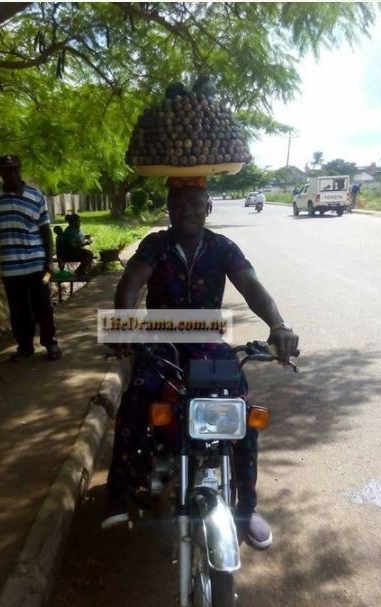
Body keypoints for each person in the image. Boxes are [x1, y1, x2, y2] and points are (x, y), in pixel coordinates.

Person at [101, 176, 299, 549]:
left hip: (208, 342)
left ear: (208, 207)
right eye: (178, 204)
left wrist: (278, 325)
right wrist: (122, 326)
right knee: (137, 396)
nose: (186, 211)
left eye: (194, 204)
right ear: (168, 209)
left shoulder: (222, 247)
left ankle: (247, 508)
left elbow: (251, 286)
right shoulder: (155, 245)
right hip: (160, 342)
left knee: (241, 409)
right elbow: (131, 282)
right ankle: (119, 492)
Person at [0, 155, 61, 362]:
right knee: (18, 311)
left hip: (38, 266)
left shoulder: (36, 195)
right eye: (6, 170)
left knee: (44, 307)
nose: (10, 173)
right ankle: (25, 347)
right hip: (11, 268)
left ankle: (50, 343)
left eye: (14, 169)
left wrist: (49, 260)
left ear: (19, 169)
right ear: (0, 172)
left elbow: (46, 230)